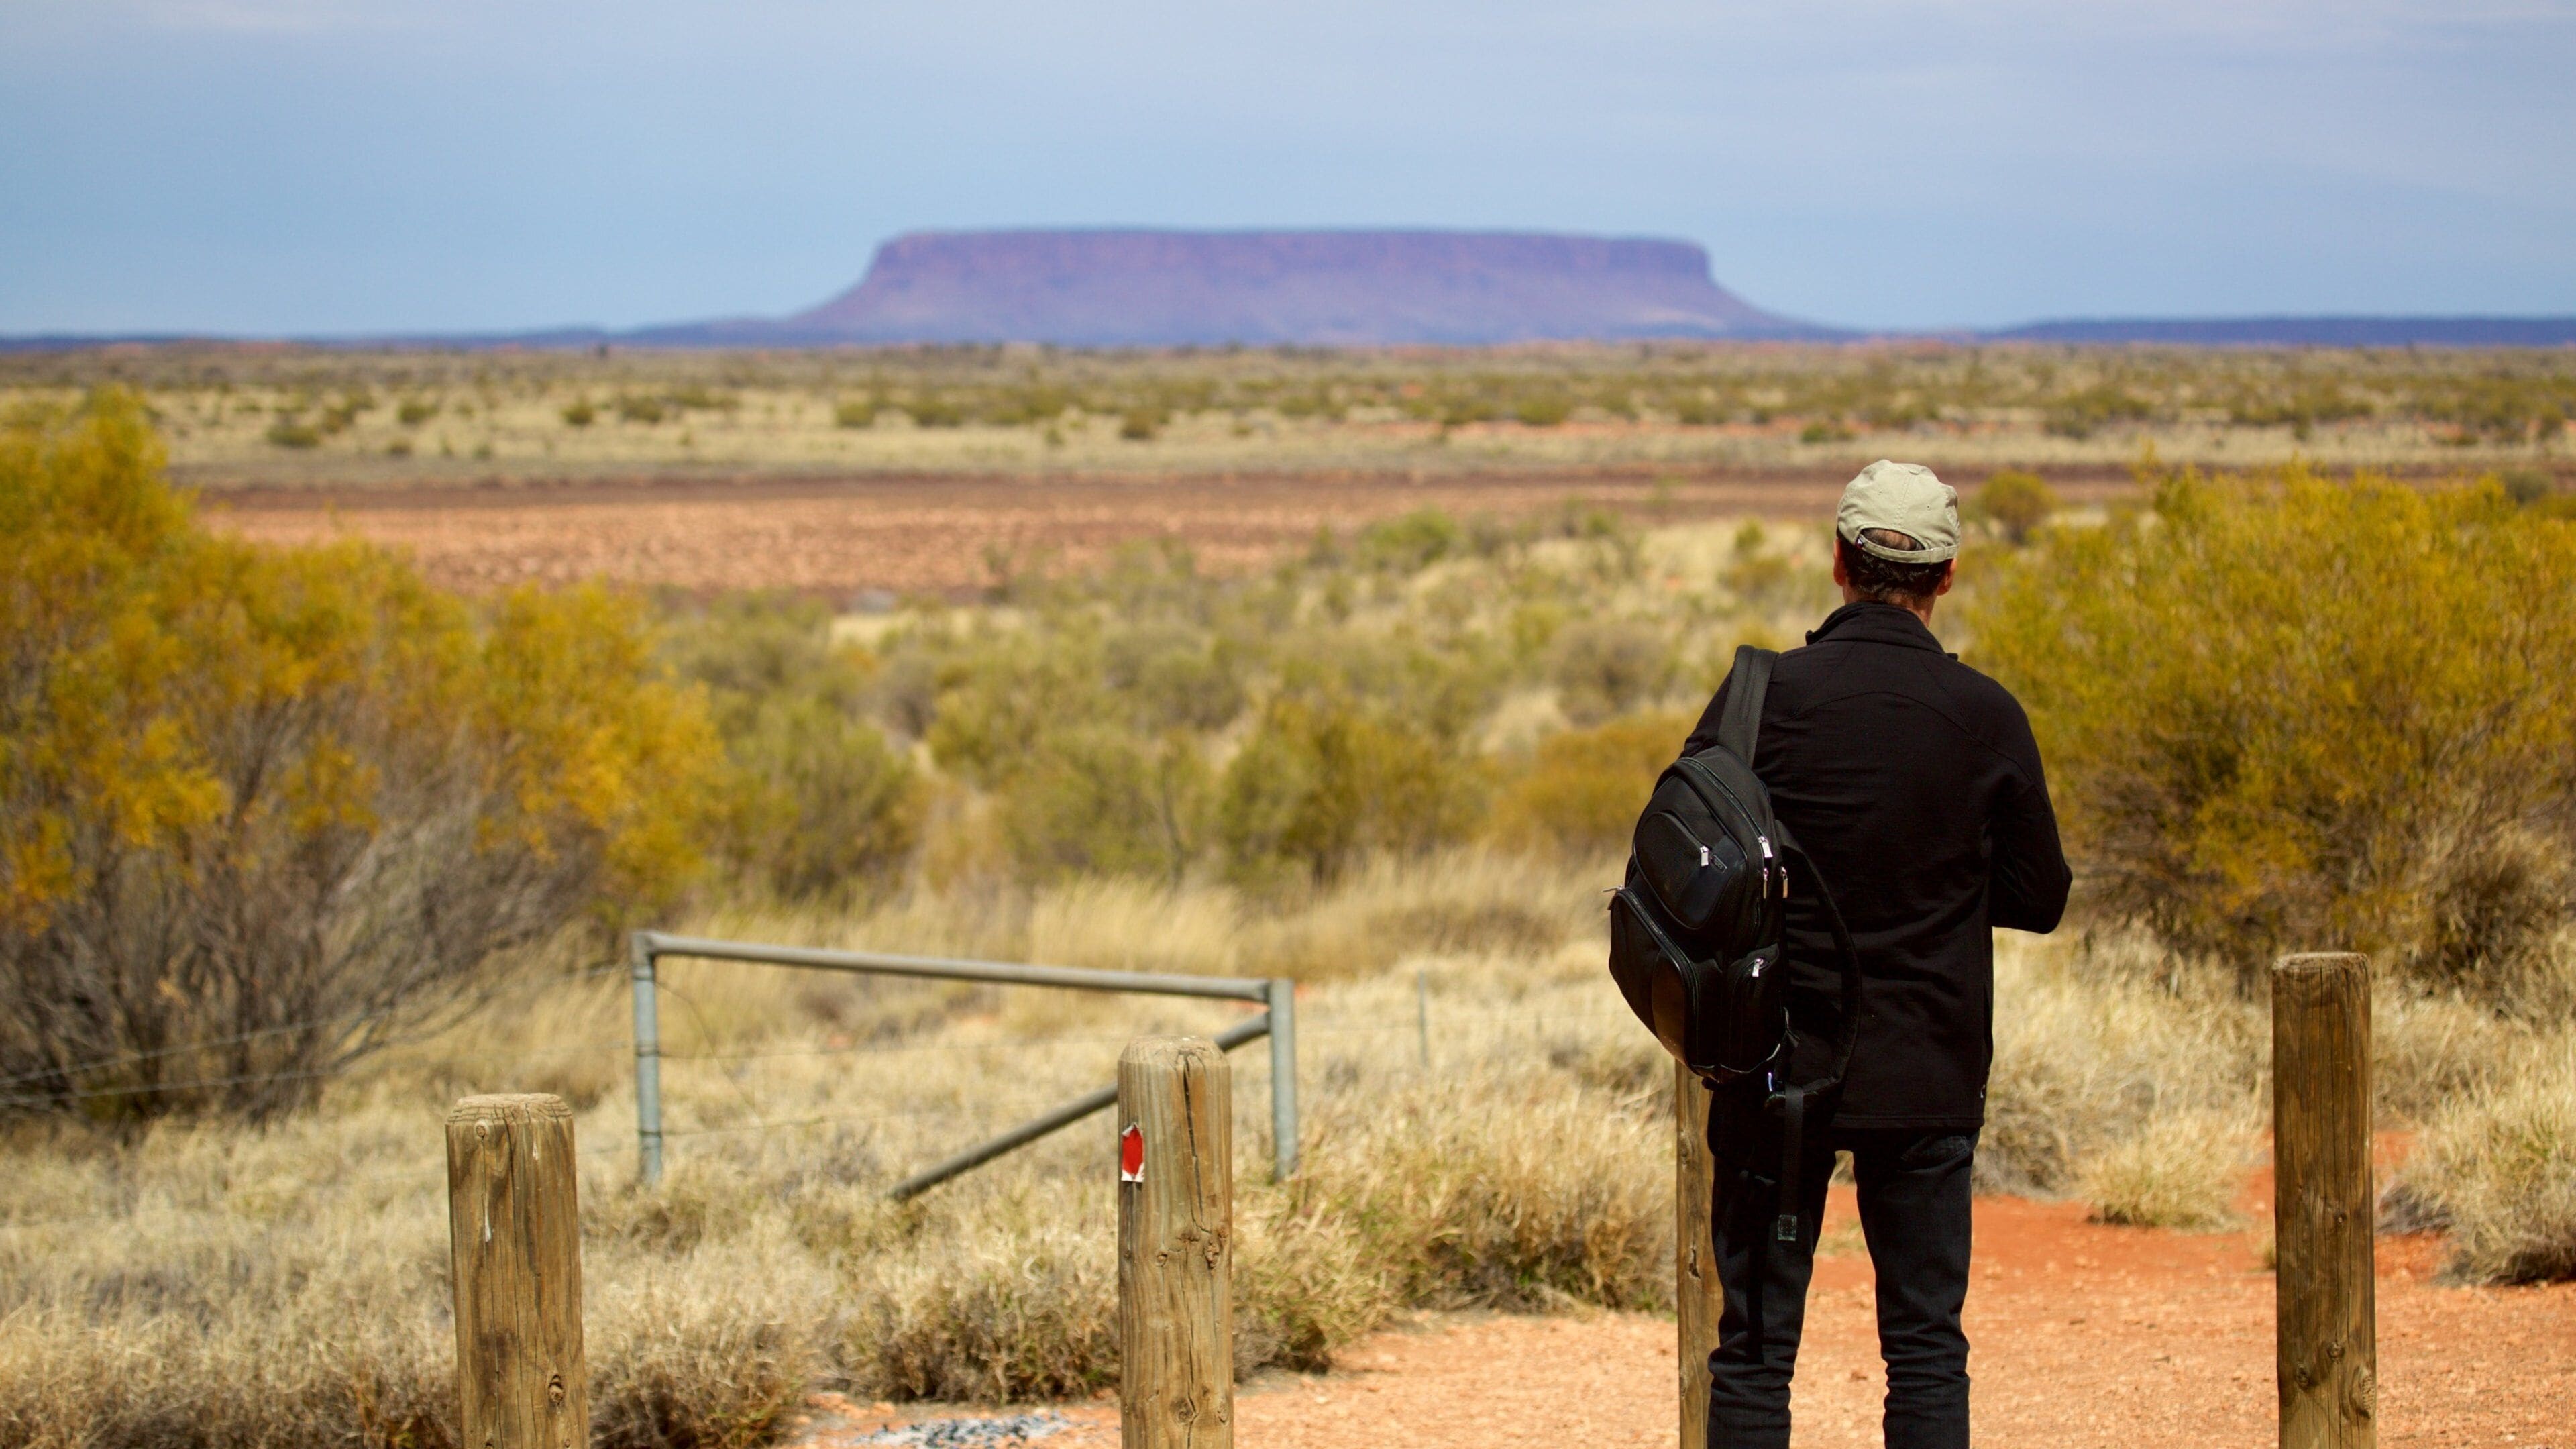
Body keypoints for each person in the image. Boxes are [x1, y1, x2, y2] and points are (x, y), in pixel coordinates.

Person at [1681, 460, 2072, 1449]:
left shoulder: (1760, 697)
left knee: (1755, 1353)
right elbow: (2040, 897)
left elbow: (1688, 862)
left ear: (1838, 564)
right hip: (1930, 1068)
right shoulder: (1986, 716)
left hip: (1777, 1072)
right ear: (1945, 579)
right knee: (1926, 1349)